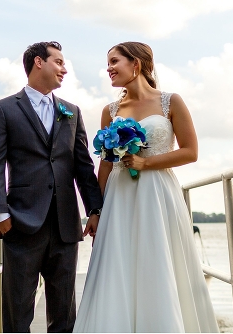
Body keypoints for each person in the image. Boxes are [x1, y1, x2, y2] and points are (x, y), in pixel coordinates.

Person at [74, 42, 219, 333]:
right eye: (108, 62)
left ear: (136, 64)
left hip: (158, 193)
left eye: (114, 61)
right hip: (119, 196)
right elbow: (105, 165)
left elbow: (190, 152)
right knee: (118, 263)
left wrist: (145, 163)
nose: (108, 68)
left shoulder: (171, 102)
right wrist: (95, 211)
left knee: (158, 258)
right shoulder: (110, 110)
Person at [0, 41, 104, 333]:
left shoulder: (72, 111)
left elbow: (83, 166)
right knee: (17, 314)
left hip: (65, 225)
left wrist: (94, 209)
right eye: (59, 62)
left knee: (64, 315)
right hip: (21, 223)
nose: (64, 69)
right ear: (39, 62)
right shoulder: (4, 109)